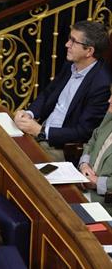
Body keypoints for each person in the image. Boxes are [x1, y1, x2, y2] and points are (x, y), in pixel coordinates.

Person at [14, 20, 111, 161]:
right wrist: (29, 114)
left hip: (59, 147)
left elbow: (83, 132)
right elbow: (48, 93)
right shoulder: (70, 64)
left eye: (73, 41)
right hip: (40, 132)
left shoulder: (101, 84)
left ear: (89, 51)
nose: (67, 45)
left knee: (16, 163)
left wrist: (40, 131)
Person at [79, 89, 112, 213]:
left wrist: (98, 183)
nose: (109, 100)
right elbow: (91, 142)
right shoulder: (109, 119)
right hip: (83, 188)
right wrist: (84, 165)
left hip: (103, 203)